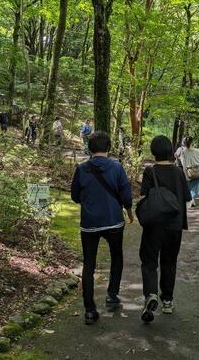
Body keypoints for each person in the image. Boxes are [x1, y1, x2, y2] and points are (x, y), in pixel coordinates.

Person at [70, 131, 134, 325]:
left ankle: (89, 310)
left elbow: (74, 196)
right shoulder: (116, 167)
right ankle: (112, 295)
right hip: (114, 220)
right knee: (117, 256)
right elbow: (126, 195)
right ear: (109, 148)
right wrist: (130, 213)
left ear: (90, 148)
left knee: (89, 264)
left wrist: (89, 202)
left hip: (89, 223)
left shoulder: (81, 169)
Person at [139, 135, 191, 323]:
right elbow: (186, 197)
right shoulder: (178, 172)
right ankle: (167, 300)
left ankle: (151, 294)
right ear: (170, 150)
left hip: (154, 225)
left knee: (149, 261)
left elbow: (144, 195)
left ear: (153, 152)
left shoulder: (149, 172)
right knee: (169, 262)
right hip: (175, 225)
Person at [179, 136, 199, 208]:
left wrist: (185, 173)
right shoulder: (198, 151)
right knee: (195, 189)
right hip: (197, 171)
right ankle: (191, 201)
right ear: (192, 142)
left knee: (188, 188)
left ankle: (189, 201)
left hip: (188, 171)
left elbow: (183, 164)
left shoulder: (183, 152)